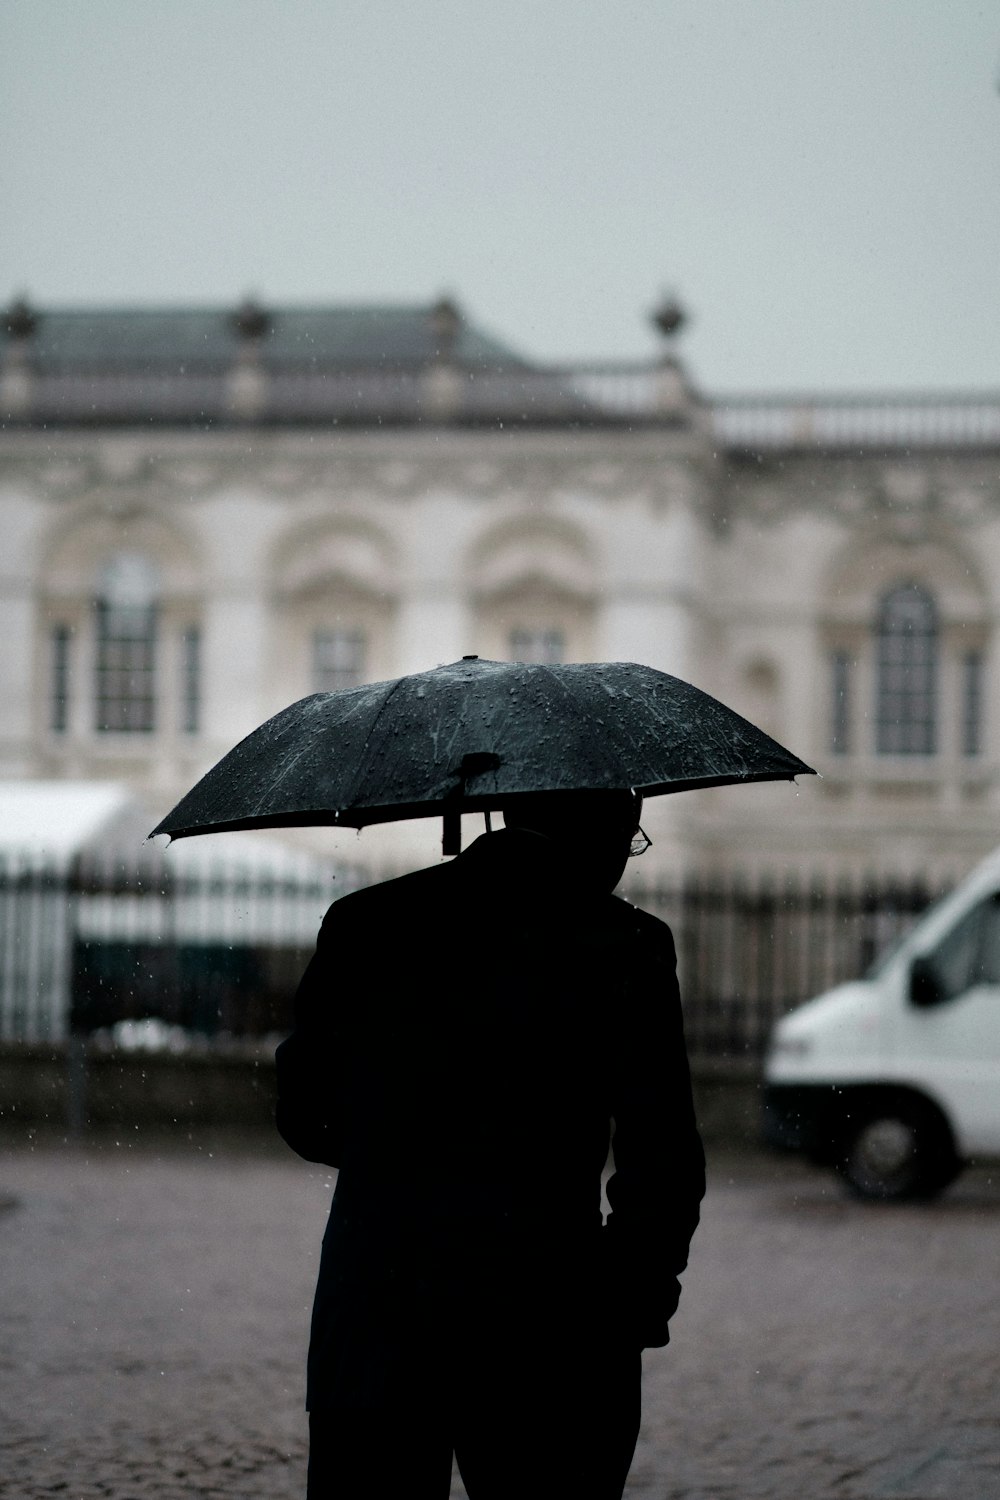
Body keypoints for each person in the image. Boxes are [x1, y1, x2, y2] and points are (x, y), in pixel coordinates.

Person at [275, 788, 705, 1500]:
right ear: (607, 834)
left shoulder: (367, 923)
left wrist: (402, 1150)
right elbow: (662, 1157)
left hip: (380, 1307)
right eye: (631, 842)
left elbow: (306, 1115)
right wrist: (628, 1305)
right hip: (549, 1324)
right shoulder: (624, 944)